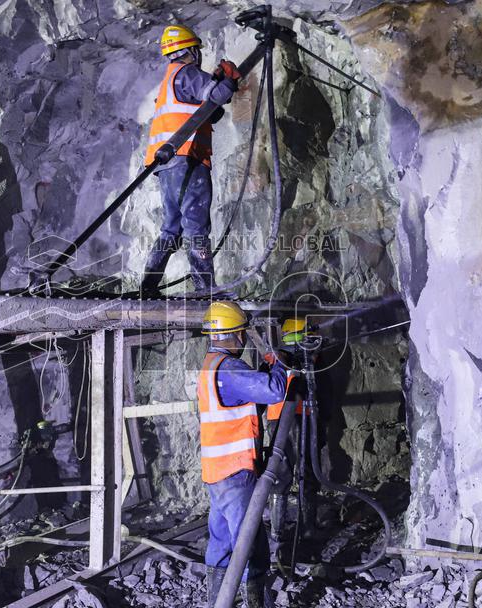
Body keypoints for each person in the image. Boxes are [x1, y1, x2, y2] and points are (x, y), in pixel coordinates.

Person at [198, 302, 287, 607]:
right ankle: (256, 603)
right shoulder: (231, 369)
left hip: (216, 472)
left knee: (221, 542)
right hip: (235, 474)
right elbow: (274, 391)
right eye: (242, 333)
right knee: (250, 542)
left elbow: (247, 402)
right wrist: (277, 362)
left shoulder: (211, 366)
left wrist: (263, 370)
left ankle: (215, 601)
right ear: (233, 334)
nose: (244, 338)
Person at [141, 25, 241, 293]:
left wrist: (217, 82)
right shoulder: (187, 73)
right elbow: (220, 96)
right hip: (187, 160)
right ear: (191, 51)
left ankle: (147, 286)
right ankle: (204, 288)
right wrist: (229, 80)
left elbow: (210, 112)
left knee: (171, 228)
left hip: (166, 167)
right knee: (196, 227)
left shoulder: (171, 80)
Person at [265, 318, 319, 552]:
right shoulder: (280, 357)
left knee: (304, 472)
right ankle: (280, 534)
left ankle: (305, 528)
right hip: (284, 419)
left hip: (302, 417)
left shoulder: (308, 358)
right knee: (285, 474)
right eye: (306, 335)